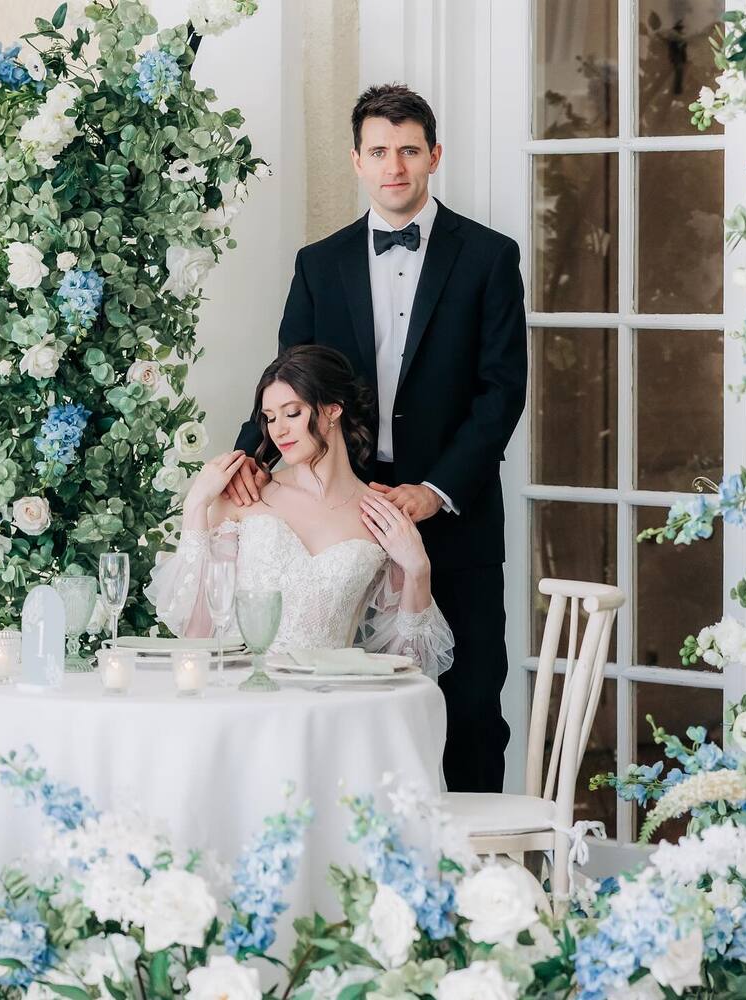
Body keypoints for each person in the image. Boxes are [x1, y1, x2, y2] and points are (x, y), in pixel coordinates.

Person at [225, 84, 527, 791]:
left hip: (454, 516)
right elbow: (288, 376)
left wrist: (434, 491)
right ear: (357, 160)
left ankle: (469, 885)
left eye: (410, 151)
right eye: (380, 151)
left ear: (434, 156)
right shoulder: (318, 263)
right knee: (346, 705)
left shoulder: (489, 258)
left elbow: (501, 391)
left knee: (470, 704)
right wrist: (249, 456)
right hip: (339, 519)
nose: (396, 166)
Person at [146, 345, 454, 682]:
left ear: (333, 410)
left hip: (324, 703)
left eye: (292, 413)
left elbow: (408, 663)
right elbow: (197, 633)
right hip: (241, 693)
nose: (278, 430)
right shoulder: (243, 497)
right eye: (270, 417)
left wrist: (418, 568)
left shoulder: (378, 514)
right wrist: (196, 504)